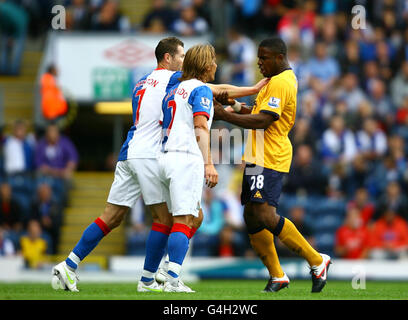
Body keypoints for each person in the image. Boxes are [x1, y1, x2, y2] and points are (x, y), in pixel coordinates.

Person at [52, 37, 268, 292]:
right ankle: (156, 277)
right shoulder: (173, 79)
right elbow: (214, 88)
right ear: (167, 58)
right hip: (152, 154)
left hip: (129, 151)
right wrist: (252, 89)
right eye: (180, 56)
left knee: (111, 216)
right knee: (181, 218)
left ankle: (69, 265)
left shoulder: (141, 81)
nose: (183, 61)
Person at [214, 37, 331, 293]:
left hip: (270, 156)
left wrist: (225, 115)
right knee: (252, 216)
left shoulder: (281, 82)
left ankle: (316, 260)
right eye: (258, 58)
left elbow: (264, 121)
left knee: (265, 214)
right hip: (258, 156)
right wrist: (233, 105)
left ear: (279, 57)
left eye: (264, 57)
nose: (259, 63)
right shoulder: (273, 82)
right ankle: (278, 275)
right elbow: (257, 112)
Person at [157, 43, 219, 292]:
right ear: (206, 65)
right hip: (185, 158)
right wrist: (209, 163)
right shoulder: (201, 88)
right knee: (184, 219)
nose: (216, 64)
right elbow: (201, 127)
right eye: (213, 60)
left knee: (196, 216)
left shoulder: (176, 88)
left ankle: (167, 267)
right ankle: (172, 279)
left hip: (165, 158)